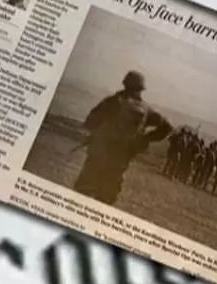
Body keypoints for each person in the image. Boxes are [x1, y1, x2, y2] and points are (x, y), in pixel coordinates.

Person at [71, 71, 172, 205]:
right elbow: (168, 127)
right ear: (141, 88)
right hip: (120, 160)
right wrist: (144, 140)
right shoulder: (147, 110)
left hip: (99, 154)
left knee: (82, 193)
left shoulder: (113, 102)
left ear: (125, 84)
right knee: (106, 199)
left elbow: (89, 122)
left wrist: (99, 132)